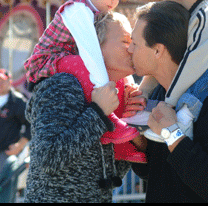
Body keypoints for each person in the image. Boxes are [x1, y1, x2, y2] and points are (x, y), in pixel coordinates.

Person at [24, 0, 143, 160]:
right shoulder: (78, 10)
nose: (115, 0)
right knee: (86, 66)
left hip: (64, 60)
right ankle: (111, 123)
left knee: (104, 73)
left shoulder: (91, 12)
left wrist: (129, 85)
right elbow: (91, 53)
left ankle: (121, 146)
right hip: (48, 62)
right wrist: (104, 97)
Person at [24, 12, 146, 203]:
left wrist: (135, 132)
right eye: (124, 41)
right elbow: (47, 157)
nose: (131, 49)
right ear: (94, 45)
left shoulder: (118, 92)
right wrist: (98, 113)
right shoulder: (64, 84)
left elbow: (109, 174)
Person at [128, 1, 208, 203]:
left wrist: (172, 133)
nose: (129, 49)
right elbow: (158, 173)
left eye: (135, 43)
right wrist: (137, 140)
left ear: (158, 51)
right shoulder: (158, 94)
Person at [125, 0, 208, 142]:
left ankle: (183, 120)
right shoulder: (191, 16)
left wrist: (170, 102)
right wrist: (144, 90)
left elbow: (191, 61)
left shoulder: (203, 15)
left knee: (199, 84)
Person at [0, 69, 31, 177]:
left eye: (2, 81)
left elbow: (31, 125)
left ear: (10, 82)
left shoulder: (17, 101)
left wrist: (19, 145)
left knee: (2, 184)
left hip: (6, 152)